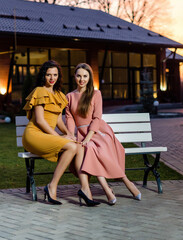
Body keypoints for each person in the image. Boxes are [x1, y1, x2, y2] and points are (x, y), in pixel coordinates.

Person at [22, 60, 99, 206]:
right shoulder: (40, 91)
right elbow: (40, 121)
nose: (52, 78)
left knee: (77, 145)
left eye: (55, 75)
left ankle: (84, 188)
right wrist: (59, 137)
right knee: (71, 146)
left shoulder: (59, 95)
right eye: (48, 75)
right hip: (33, 135)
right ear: (43, 76)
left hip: (46, 135)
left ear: (59, 76)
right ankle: (52, 186)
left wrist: (69, 133)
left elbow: (58, 121)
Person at [65, 63, 141, 205]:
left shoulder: (96, 94)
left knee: (93, 149)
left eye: (85, 76)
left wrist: (88, 137)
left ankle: (123, 182)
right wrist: (71, 135)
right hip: (81, 134)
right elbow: (69, 119)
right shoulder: (69, 97)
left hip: (98, 131)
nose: (82, 79)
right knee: (90, 150)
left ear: (90, 77)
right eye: (79, 76)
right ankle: (108, 187)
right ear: (74, 76)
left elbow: (97, 118)